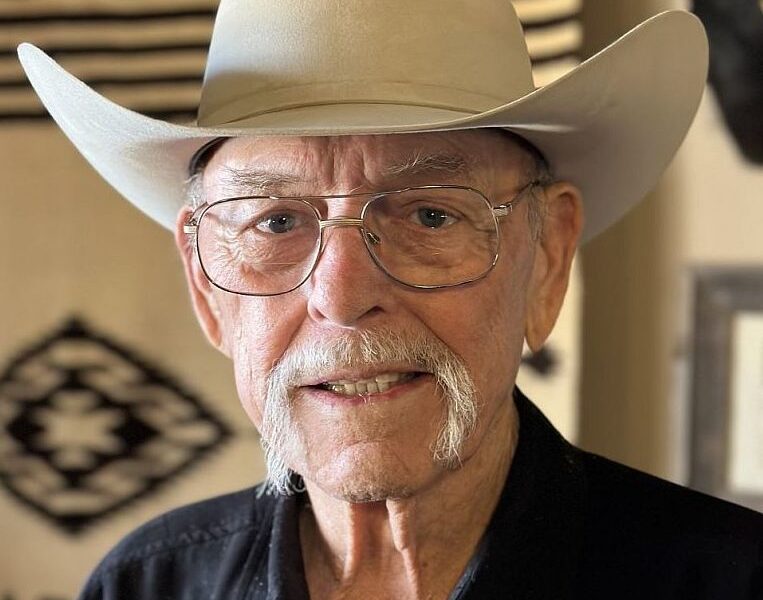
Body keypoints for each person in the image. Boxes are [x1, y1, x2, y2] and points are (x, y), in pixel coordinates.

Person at [18, 0, 762, 598]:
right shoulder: (146, 584)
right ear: (205, 286)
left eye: (429, 215)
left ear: (546, 259)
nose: (341, 297)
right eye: (275, 222)